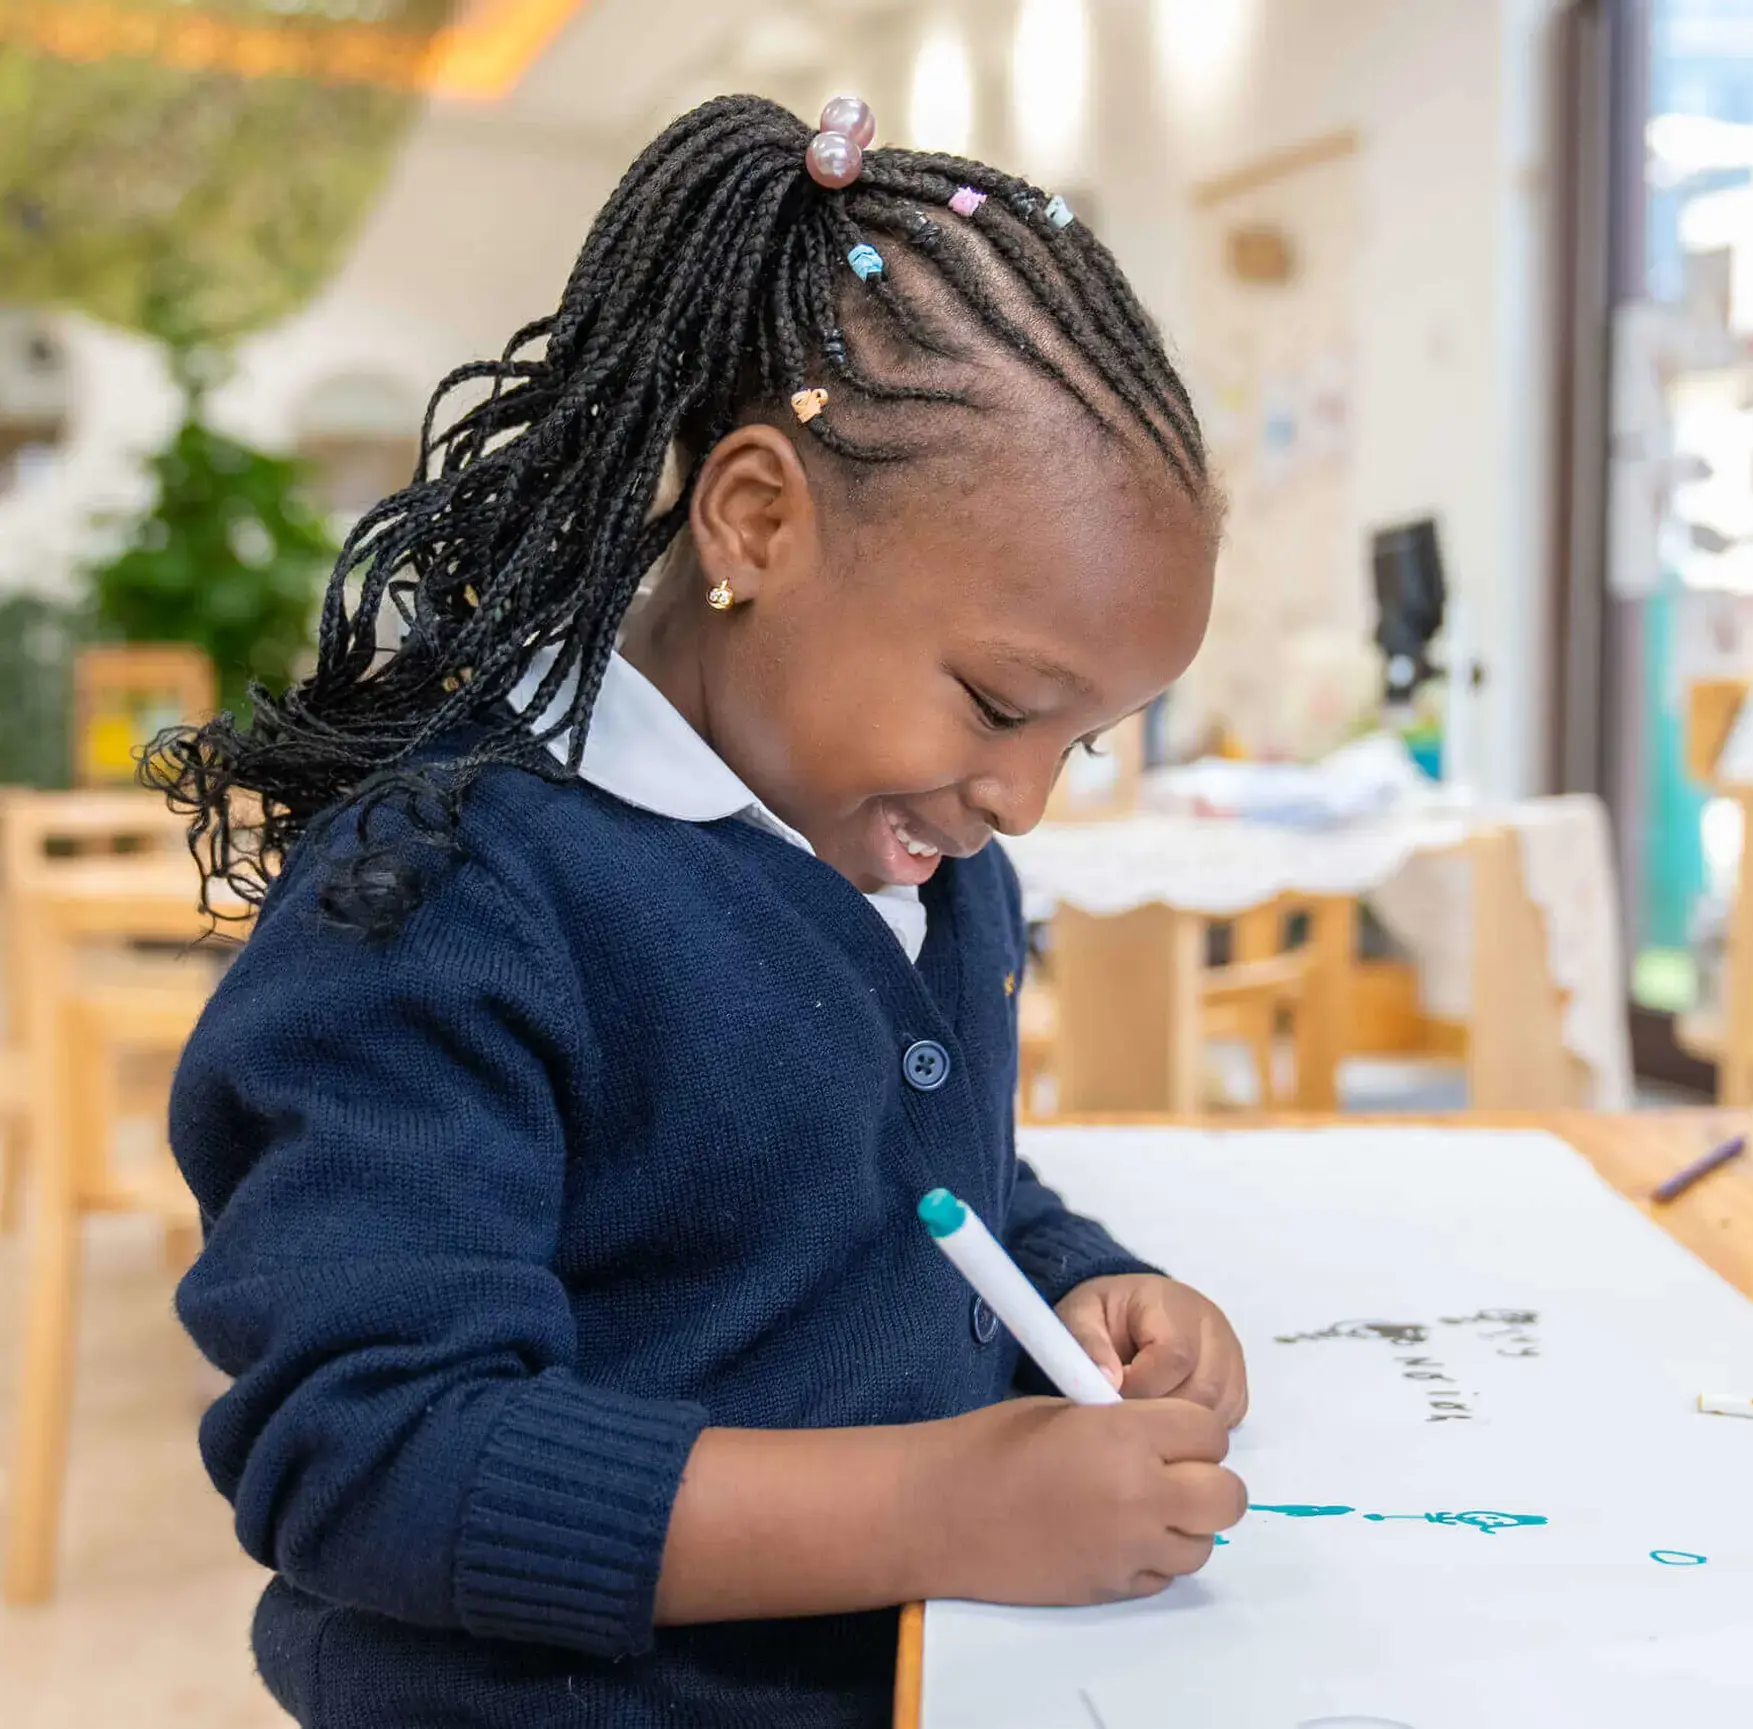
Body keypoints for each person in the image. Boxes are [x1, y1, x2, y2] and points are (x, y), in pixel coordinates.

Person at [155, 93, 1248, 1728]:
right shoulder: (455, 897)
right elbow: (370, 1456)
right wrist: (938, 1507)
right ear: (755, 521)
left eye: (1077, 739)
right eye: (998, 702)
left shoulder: (918, 850)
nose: (1027, 799)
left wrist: (1078, 1281)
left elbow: (912, 1190)